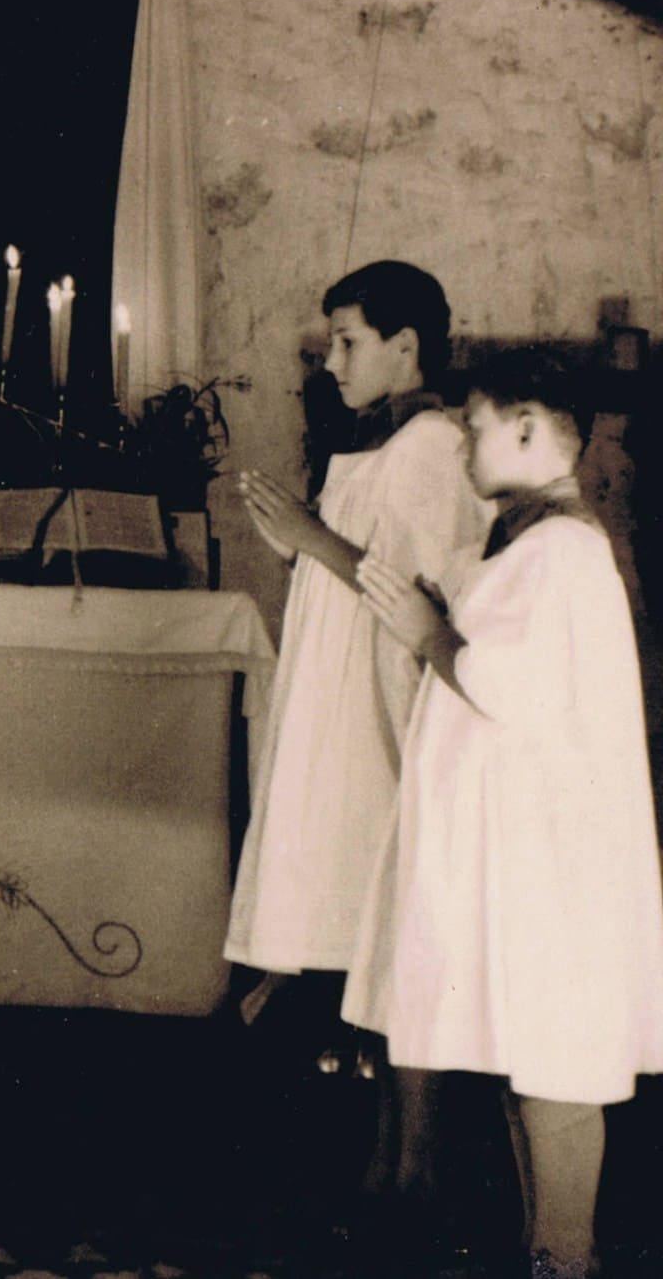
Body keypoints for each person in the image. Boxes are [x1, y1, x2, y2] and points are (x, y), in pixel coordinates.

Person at [343, 348, 663, 1279]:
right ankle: (548, 1253)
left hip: (558, 852)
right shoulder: (528, 536)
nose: (463, 447)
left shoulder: (561, 546)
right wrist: (434, 620)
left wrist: (428, 629)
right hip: (527, 842)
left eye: (476, 426)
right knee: (535, 1060)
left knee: (559, 1060)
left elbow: (502, 683)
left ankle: (567, 1256)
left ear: (527, 426)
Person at [222, 261, 492, 1202]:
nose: (331, 358)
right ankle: (389, 1168)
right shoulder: (376, 443)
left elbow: (417, 594)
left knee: (404, 947)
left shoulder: (433, 446)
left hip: (386, 723)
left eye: (349, 340)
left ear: (405, 346)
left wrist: (309, 536)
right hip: (339, 717)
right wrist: (302, 534)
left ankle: (416, 1172)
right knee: (374, 954)